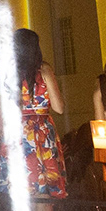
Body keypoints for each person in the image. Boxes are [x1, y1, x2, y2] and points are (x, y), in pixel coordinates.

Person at [11, 27, 67, 199]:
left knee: (21, 196)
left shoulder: (10, 72)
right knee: (44, 195)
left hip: (18, 133)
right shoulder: (44, 70)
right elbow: (59, 108)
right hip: (42, 133)